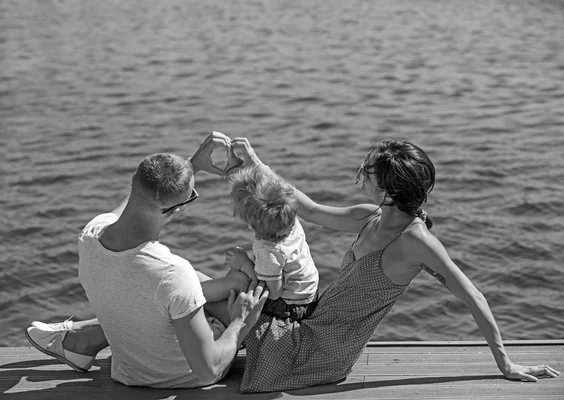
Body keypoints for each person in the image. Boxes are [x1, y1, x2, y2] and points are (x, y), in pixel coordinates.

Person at [227, 137, 560, 393]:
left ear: (389, 189)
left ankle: (191, 372)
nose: (360, 174)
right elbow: (310, 210)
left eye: (367, 172)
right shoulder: (369, 216)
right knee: (217, 290)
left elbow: (473, 296)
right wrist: (257, 166)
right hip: (311, 326)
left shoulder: (415, 242)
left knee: (213, 299)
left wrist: (506, 364)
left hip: (322, 352)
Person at [25, 132, 268, 388]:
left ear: (133, 182)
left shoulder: (91, 235)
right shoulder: (172, 273)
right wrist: (242, 320)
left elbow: (138, 199)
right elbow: (208, 370)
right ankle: (82, 338)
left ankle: (82, 340)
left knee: (181, 288)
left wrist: (191, 165)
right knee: (221, 291)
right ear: (176, 210)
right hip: (182, 376)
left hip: (128, 371)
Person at [202, 165, 319, 322]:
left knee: (239, 280)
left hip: (289, 307)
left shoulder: (269, 251)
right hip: (307, 296)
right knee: (238, 275)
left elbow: (273, 293)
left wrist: (245, 264)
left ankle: (193, 296)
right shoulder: (289, 221)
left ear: (250, 223)